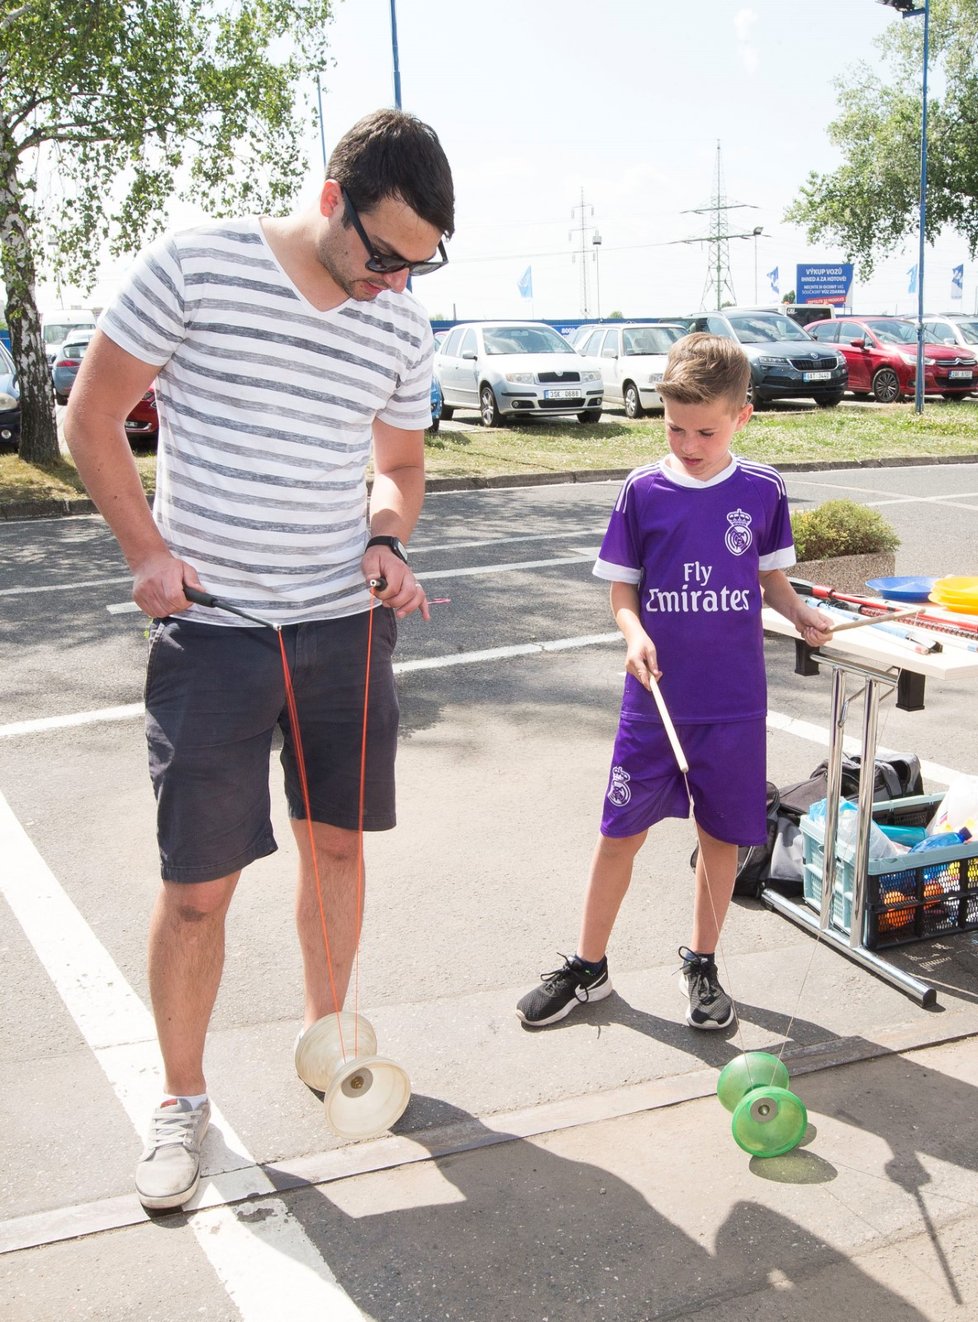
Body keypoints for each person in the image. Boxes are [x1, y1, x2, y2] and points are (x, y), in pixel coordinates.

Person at [64, 109, 455, 1211]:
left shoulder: (398, 321)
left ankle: (333, 1046)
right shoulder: (196, 267)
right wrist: (145, 550)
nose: (393, 283)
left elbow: (401, 466)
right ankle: (182, 1102)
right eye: (383, 256)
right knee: (197, 891)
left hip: (342, 631)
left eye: (417, 266)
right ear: (333, 199)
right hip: (215, 633)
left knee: (336, 852)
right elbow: (89, 416)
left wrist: (386, 537)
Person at [516, 333, 833, 1032]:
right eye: (675, 428)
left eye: (706, 431)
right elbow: (622, 592)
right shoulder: (642, 491)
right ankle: (588, 966)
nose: (688, 443)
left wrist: (801, 612)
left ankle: (702, 961)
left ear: (741, 418)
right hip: (654, 705)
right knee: (618, 833)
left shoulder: (761, 490)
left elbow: (769, 578)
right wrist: (635, 635)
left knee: (721, 836)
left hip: (734, 706)